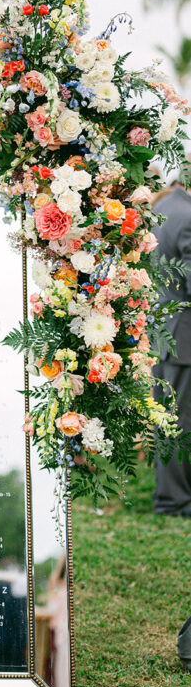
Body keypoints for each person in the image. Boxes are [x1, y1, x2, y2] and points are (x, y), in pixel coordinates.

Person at [153, 173, 191, 514]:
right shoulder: (188, 215)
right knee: (179, 423)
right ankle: (174, 502)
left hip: (165, 332)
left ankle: (172, 497)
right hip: (182, 336)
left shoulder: (165, 207)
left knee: (170, 420)